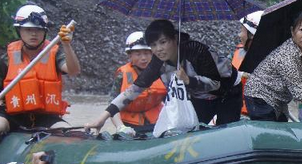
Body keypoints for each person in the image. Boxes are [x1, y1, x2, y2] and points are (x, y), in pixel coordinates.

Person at [85, 19, 242, 132]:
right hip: (201, 97)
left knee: (225, 130)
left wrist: (189, 80)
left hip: (227, 92)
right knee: (190, 131)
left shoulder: (197, 51)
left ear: (174, 40)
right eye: (153, 45)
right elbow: (133, 90)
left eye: (163, 42)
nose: (158, 49)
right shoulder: (158, 62)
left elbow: (216, 83)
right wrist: (102, 118)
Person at [0, 4, 81, 144]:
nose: (33, 34)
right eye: (28, 29)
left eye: (38, 30)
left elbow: (74, 71)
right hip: (11, 114)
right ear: (19, 30)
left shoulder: (54, 52)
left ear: (44, 31)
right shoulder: (7, 59)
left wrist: (66, 45)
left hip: (45, 116)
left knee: (70, 135)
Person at [109, 31, 167, 132]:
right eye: (138, 54)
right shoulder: (122, 75)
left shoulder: (162, 72)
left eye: (146, 53)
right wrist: (120, 127)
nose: (143, 58)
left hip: (156, 121)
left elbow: (171, 100)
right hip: (129, 124)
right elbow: (112, 105)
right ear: (130, 56)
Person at [231, 10, 263, 117]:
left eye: (242, 31)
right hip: (237, 110)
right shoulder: (238, 52)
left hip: (256, 114)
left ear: (252, 35)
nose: (240, 35)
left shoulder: (269, 58)